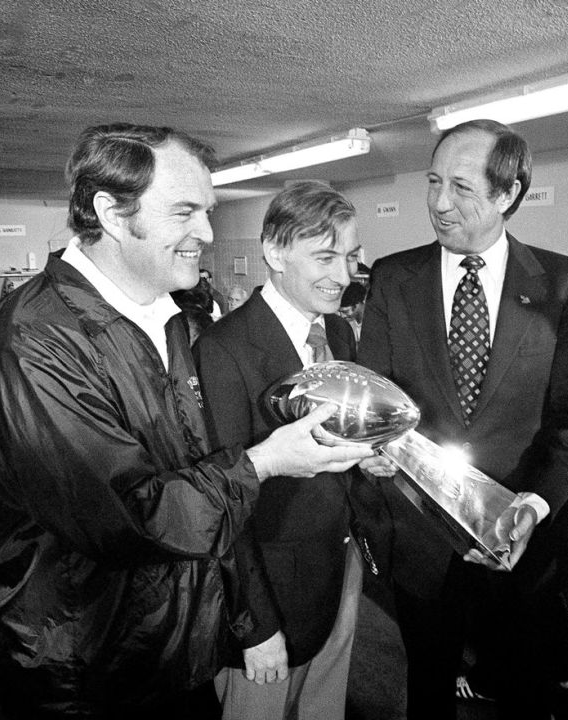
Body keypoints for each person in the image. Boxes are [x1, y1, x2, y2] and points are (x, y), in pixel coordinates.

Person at [0, 123, 373, 719]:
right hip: (85, 666)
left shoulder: (169, 322)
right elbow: (129, 517)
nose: (206, 232)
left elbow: (197, 478)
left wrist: (237, 620)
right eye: (185, 212)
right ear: (110, 211)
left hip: (173, 646)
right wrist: (265, 461)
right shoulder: (32, 342)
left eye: (207, 211)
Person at [356, 118, 568, 719]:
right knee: (427, 691)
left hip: (521, 542)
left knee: (524, 693)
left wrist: (535, 504)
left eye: (461, 188)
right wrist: (371, 449)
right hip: (420, 540)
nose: (439, 204)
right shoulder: (393, 278)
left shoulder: (559, 283)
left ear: (508, 193)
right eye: (433, 182)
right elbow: (377, 402)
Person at [193, 180, 376, 719]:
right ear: (275, 252)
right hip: (268, 589)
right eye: (325, 256)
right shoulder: (223, 350)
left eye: (351, 257)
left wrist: (371, 457)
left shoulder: (339, 335)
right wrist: (254, 625)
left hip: (340, 566)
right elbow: (223, 502)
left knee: (324, 708)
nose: (343, 276)